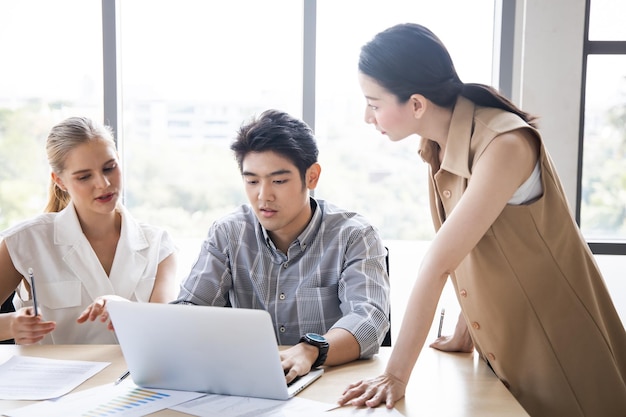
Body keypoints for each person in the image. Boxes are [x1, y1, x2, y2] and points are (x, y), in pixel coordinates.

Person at [337, 23, 626, 416]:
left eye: (373, 103)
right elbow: (476, 246)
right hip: (510, 349)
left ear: (417, 104)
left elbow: (439, 263)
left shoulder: (504, 144)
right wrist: (464, 331)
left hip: (560, 349)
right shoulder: (437, 145)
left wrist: (396, 376)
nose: (368, 116)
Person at [172, 109, 390, 384]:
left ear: (311, 177)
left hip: (329, 385)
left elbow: (370, 319)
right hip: (248, 384)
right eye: (252, 181)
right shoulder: (228, 233)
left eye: (278, 181)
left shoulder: (354, 236)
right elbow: (190, 310)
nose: (263, 196)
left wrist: (311, 350)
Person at [0, 116, 178, 344]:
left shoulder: (159, 245)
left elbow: (165, 332)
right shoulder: (25, 241)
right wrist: (10, 326)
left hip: (131, 379)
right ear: (60, 181)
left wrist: (125, 310)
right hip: (53, 378)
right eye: (84, 176)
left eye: (109, 168)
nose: (103, 183)